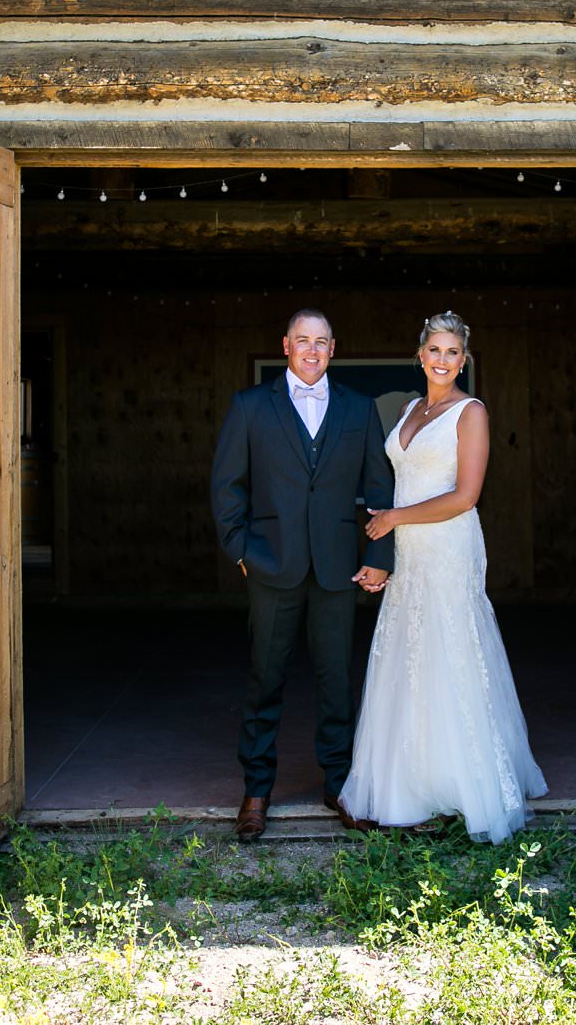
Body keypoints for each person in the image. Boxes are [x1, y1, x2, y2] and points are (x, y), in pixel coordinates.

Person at [339, 311, 547, 842]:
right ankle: (407, 783)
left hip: (448, 545)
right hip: (407, 548)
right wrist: (382, 549)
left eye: (453, 352)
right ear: (420, 354)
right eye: (434, 349)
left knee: (449, 651)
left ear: (464, 360)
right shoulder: (410, 409)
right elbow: (397, 486)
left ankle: (463, 783)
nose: (442, 360)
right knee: (408, 655)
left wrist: (393, 521)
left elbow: (465, 496)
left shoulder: (470, 412)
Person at [209, 308, 393, 841]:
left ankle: (340, 784)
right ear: (285, 345)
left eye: (322, 342)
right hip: (271, 564)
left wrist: (381, 556)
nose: (312, 350)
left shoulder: (359, 409)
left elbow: (379, 490)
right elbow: (227, 489)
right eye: (302, 340)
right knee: (266, 679)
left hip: (339, 569)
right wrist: (242, 551)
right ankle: (257, 789)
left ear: (333, 349)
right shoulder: (249, 407)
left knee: (337, 681)